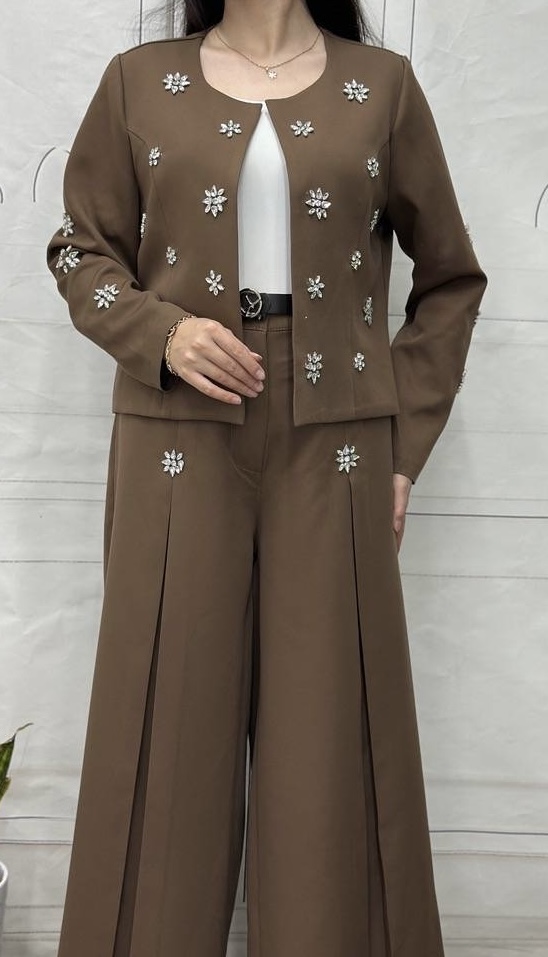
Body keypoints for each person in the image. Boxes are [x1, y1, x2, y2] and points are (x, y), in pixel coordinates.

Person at [46, 1, 487, 954]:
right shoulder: (137, 82)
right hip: (179, 431)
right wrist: (162, 333)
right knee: (168, 742)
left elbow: (450, 279)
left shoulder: (382, 88)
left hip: (336, 443)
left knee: (327, 759)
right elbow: (81, 248)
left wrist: (402, 444)